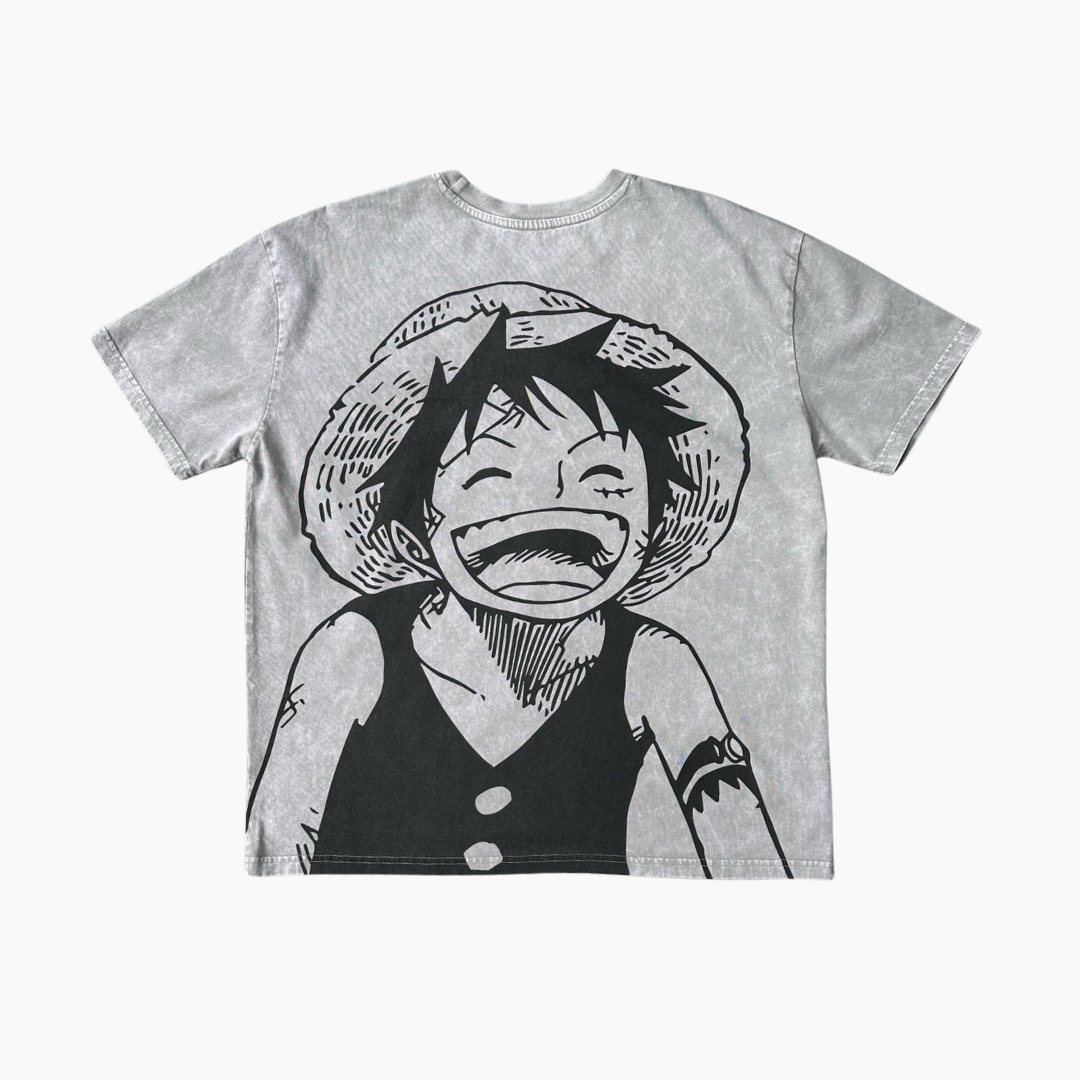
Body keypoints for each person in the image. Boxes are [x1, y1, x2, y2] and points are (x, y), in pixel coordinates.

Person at [246, 287, 791, 876]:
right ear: (414, 531)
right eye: (489, 477)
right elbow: (282, 842)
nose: (554, 505)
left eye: (603, 478)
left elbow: (745, 850)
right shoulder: (355, 648)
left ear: (653, 522)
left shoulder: (654, 662)